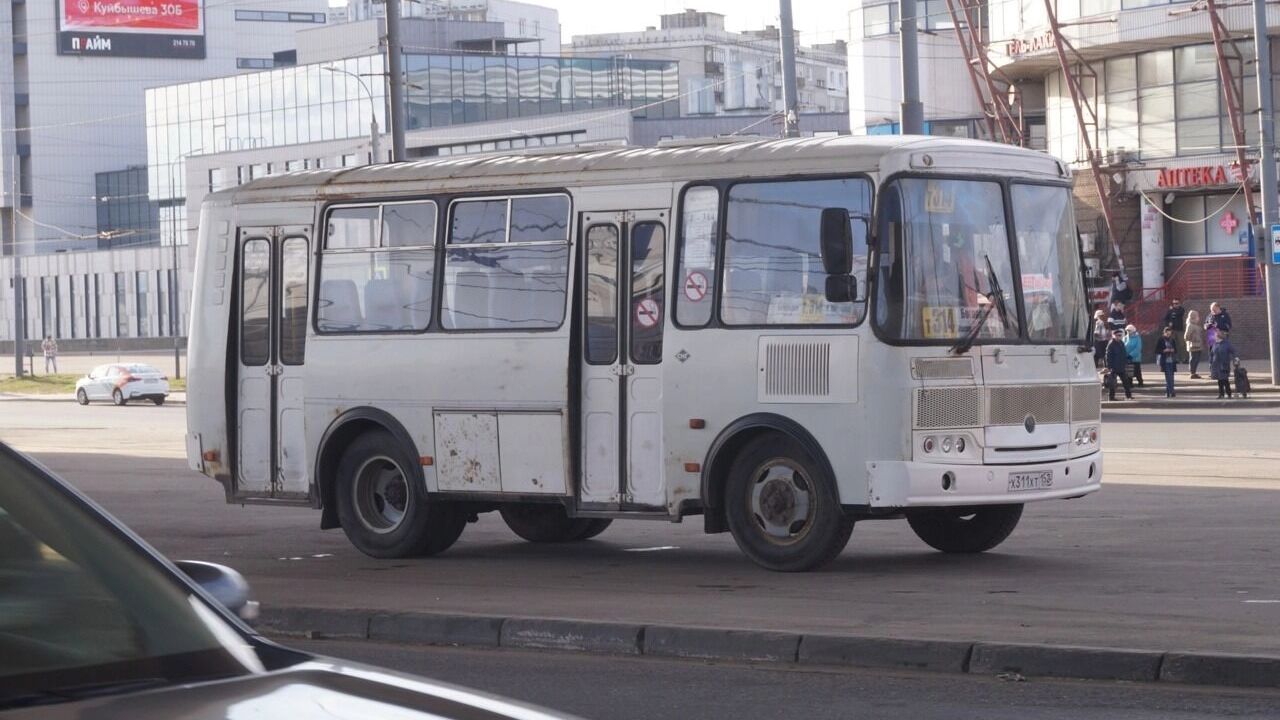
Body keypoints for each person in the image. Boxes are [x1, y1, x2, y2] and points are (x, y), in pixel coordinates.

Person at [1104, 328, 1133, 401]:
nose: (1119, 337)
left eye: (1120, 335)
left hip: (1121, 366)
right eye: (1118, 335)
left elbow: (1123, 354)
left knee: (1126, 382)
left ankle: (1128, 396)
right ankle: (1111, 397)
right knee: (1112, 383)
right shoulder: (1111, 344)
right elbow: (1108, 356)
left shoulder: (1121, 343)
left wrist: (1127, 359)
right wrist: (1109, 367)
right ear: (1114, 336)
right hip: (1113, 367)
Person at [1210, 329, 1239, 399]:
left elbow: (1233, 351)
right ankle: (1221, 394)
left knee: (1225, 380)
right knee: (1219, 381)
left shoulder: (1226, 343)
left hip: (1224, 364)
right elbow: (1211, 354)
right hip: (1216, 365)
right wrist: (1211, 363)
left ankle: (1229, 393)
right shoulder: (1214, 344)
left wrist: (1235, 358)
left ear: (1218, 336)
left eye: (1215, 335)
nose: (1214, 337)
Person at [1154, 326, 1178, 398]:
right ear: (1164, 333)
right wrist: (1164, 350)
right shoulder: (1161, 340)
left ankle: (1168, 392)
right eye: (1167, 334)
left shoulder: (1172, 340)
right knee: (1168, 377)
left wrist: (1172, 350)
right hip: (1165, 360)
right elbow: (1156, 350)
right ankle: (1172, 392)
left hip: (1172, 360)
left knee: (1171, 377)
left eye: (1169, 334)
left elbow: (1176, 350)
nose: (1168, 335)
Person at [1184, 309, 1204, 379]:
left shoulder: (1195, 325)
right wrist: (1193, 339)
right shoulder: (1190, 325)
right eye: (1197, 316)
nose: (1198, 318)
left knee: (1197, 359)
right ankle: (1192, 373)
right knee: (1193, 359)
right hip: (1193, 345)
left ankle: (1194, 372)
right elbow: (1186, 336)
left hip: (1198, 345)